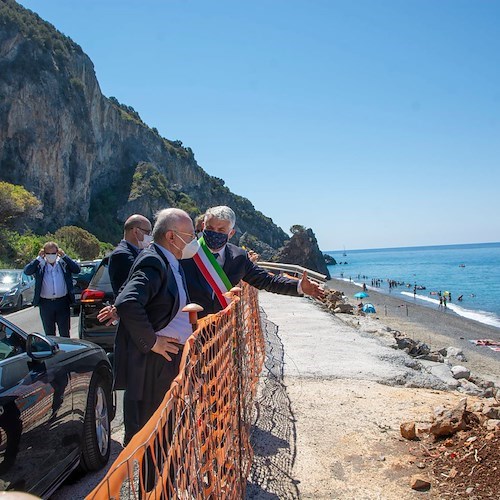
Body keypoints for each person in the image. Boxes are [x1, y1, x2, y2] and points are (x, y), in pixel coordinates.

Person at [113, 208, 197, 442]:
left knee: (168, 433)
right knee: (157, 437)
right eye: (189, 236)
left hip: (166, 364)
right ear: (172, 237)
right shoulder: (154, 261)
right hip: (154, 367)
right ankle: (153, 479)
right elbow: (127, 302)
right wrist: (152, 341)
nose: (193, 242)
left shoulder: (171, 261)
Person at [181, 206, 324, 316]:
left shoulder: (239, 257)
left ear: (231, 233)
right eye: (210, 228)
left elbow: (267, 281)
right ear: (203, 227)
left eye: (221, 229)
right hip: (185, 328)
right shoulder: (185, 252)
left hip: (220, 330)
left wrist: (299, 286)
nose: (215, 233)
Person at [24, 242, 80, 337]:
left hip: (62, 302)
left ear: (57, 253)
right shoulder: (40, 265)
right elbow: (27, 271)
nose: (51, 256)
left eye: (53, 253)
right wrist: (38, 259)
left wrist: (64, 256)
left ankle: (66, 350)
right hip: (46, 304)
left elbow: (77, 270)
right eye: (48, 253)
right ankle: (53, 350)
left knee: (64, 331)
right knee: (49, 332)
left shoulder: (63, 264)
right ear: (44, 253)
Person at [109, 214, 153, 296]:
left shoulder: (139, 252)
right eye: (148, 232)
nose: (150, 236)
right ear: (135, 231)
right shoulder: (122, 255)